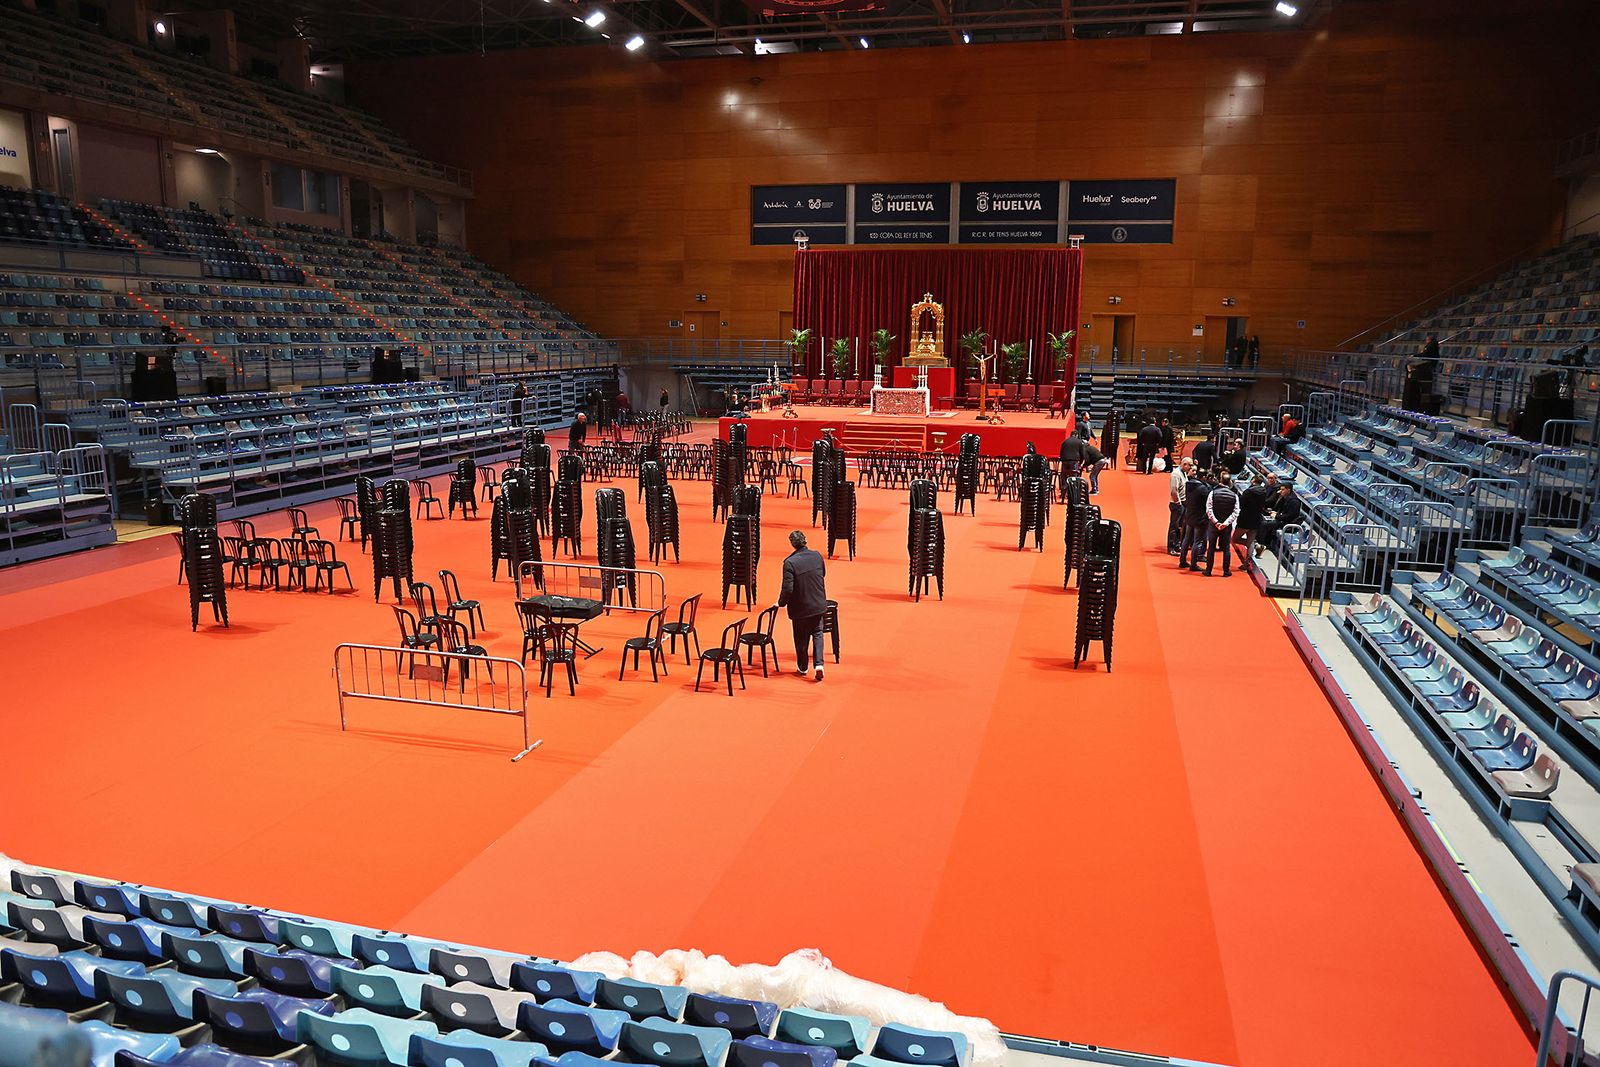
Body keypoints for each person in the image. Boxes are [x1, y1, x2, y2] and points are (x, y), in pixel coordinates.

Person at [776, 530, 828, 681]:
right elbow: (822, 574)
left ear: (792, 544)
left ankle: (803, 667)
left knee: (800, 637)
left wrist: (780, 603)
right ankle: (819, 664)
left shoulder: (789, 563)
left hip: (800, 608)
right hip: (818, 603)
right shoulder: (817, 555)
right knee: (818, 633)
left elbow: (788, 589)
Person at [1203, 470, 1239, 576]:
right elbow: (1235, 512)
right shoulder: (1234, 496)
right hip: (1226, 527)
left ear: (1220, 481)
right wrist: (1225, 523)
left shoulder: (1212, 493)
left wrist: (1216, 522)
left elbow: (1208, 509)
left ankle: (1208, 570)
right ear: (1229, 482)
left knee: (1211, 547)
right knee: (1226, 548)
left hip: (1214, 525)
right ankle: (1226, 571)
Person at [1177, 466, 1213, 570]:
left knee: (1186, 539)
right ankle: (1193, 564)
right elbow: (1209, 496)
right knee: (1198, 541)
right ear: (1205, 477)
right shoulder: (1203, 489)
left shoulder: (1189, 484)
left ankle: (1182, 560)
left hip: (1190, 515)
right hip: (1200, 518)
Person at [1234, 474, 1274, 568]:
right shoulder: (1264, 491)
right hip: (1256, 519)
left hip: (1245, 519)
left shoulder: (1248, 492)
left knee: (1234, 539)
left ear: (1253, 481)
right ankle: (1246, 563)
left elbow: (1241, 503)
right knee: (1250, 541)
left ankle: (1255, 545)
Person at [1255, 482, 1303, 557]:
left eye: (1283, 490)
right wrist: (1276, 513)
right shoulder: (1285, 498)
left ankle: (1261, 544)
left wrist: (1277, 516)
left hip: (1288, 523)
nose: (1281, 491)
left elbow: (1291, 516)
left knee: (1264, 524)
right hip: (1282, 519)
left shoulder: (1294, 501)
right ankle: (1260, 542)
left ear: (1288, 490)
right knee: (1262, 520)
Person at [1403, 334, 1440, 412]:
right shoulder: (1432, 346)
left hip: (1428, 364)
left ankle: (1410, 373)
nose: (1425, 341)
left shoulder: (1430, 346)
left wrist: (1414, 355)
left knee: (1410, 362)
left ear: (1429, 340)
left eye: (1426, 340)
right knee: (1410, 362)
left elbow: (1424, 354)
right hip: (1427, 363)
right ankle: (1410, 372)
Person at [1168, 457, 1193, 554]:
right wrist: (1178, 502)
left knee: (1179, 526)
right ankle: (1171, 547)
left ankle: (1177, 544)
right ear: (1184, 464)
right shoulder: (1176, 474)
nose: (1190, 467)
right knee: (1174, 526)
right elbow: (1174, 490)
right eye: (1189, 465)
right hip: (1177, 504)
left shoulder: (1184, 473)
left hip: (1183, 503)